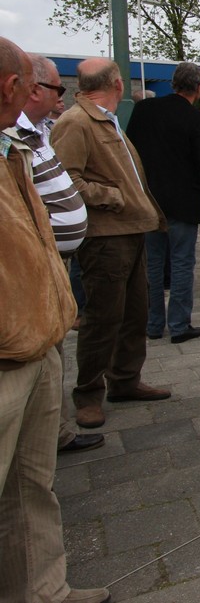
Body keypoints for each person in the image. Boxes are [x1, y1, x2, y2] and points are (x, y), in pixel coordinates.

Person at [0, 39, 112, 603]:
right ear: (11, 87)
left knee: (30, 485)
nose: (36, 96)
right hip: (7, 348)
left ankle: (43, 590)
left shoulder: (16, 144)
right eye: (29, 84)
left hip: (38, 334)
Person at [53, 58, 172, 430]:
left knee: (135, 313)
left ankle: (124, 380)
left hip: (130, 231)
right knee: (103, 318)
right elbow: (65, 181)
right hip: (104, 237)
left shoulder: (105, 119)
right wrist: (113, 197)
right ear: (117, 84)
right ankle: (88, 395)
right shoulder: (75, 122)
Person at [2, 54, 103, 454]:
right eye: (57, 88)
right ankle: (46, 434)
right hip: (27, 274)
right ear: (23, 88)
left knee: (52, 354)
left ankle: (52, 432)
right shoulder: (16, 136)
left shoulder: (39, 131)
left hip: (50, 263)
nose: (62, 97)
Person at [126, 62, 200, 344]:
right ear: (199, 88)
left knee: (153, 264)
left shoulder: (143, 110)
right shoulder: (198, 121)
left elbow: (129, 150)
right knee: (181, 263)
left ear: (173, 83)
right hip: (183, 202)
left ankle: (154, 324)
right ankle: (179, 325)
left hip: (149, 200)